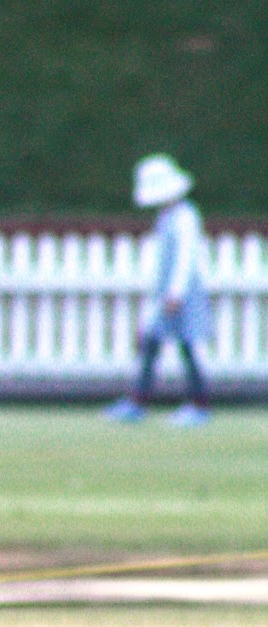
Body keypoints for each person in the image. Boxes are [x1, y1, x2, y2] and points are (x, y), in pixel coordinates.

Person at [106, 154, 212, 427]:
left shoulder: (186, 216)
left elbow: (186, 258)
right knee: (152, 342)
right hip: (167, 293)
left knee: (188, 345)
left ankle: (199, 403)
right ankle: (138, 400)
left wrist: (175, 293)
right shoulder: (166, 217)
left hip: (182, 294)